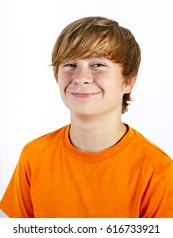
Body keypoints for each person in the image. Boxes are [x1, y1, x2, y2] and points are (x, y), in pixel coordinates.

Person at [0, 16, 173, 218]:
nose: (81, 78)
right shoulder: (34, 156)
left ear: (128, 81)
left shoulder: (158, 172)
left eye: (98, 64)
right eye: (70, 64)